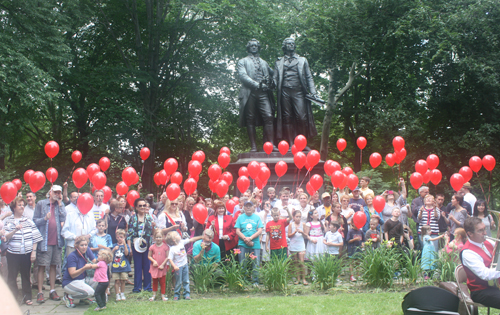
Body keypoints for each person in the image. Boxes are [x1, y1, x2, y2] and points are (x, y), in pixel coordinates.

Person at [274, 37, 318, 145]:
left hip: (298, 91)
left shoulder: (302, 60)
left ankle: (302, 143)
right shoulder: (279, 62)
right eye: (288, 43)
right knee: (287, 117)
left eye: (292, 43)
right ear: (284, 47)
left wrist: (313, 91)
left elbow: (309, 77)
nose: (291, 45)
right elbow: (275, 78)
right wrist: (271, 83)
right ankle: (290, 143)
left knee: (301, 117)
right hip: (284, 91)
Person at [237, 38, 277, 152]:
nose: (254, 47)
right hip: (250, 93)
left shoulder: (264, 62)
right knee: (250, 119)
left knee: (269, 116)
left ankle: (270, 145)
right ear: (248, 47)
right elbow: (243, 76)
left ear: (258, 47)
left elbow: (274, 74)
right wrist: (257, 84)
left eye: (256, 45)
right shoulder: (242, 61)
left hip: (263, 93)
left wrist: (274, 79)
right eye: (251, 46)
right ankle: (254, 146)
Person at [3, 197, 42, 305]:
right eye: (19, 205)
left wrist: (33, 252)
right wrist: (15, 230)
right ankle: (13, 298)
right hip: (13, 254)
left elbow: (36, 237)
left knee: (26, 275)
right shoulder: (9, 221)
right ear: (14, 208)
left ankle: (27, 297)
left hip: (26, 253)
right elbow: (5, 237)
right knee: (12, 276)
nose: (22, 207)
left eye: (22, 205)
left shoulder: (28, 220)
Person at [33, 184, 66, 303]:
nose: (57, 194)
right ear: (50, 192)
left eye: (59, 193)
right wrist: (44, 219)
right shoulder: (41, 204)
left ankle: (52, 290)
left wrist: (61, 204)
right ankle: (40, 292)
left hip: (56, 241)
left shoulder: (59, 205)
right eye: (56, 192)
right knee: (42, 266)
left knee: (53, 266)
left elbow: (64, 218)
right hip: (44, 241)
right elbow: (35, 221)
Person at [461, 217, 500, 309]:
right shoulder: (467, 252)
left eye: (485, 229)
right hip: (481, 291)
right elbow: (485, 274)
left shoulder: (487, 242)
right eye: (480, 231)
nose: (485, 233)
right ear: (470, 234)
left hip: (494, 285)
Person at [62, 236, 98, 308]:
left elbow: (95, 262)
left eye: (86, 245)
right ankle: (68, 296)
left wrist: (103, 260)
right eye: (81, 245)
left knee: (99, 279)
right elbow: (72, 274)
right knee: (91, 292)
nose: (84, 247)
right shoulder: (72, 256)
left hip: (82, 280)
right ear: (76, 246)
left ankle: (83, 298)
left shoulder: (87, 250)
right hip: (70, 282)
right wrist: (84, 268)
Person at [127, 198, 154, 293]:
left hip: (147, 245)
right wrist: (129, 247)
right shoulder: (133, 218)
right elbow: (129, 234)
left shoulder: (150, 217)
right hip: (136, 245)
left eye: (144, 205)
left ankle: (147, 287)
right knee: (137, 266)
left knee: (147, 266)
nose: (142, 207)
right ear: (136, 207)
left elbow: (152, 232)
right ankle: (137, 287)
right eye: (140, 206)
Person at [234, 201, 263, 285]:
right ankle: (243, 281)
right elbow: (237, 230)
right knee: (243, 262)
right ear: (244, 208)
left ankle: (255, 282)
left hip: (255, 244)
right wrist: (245, 239)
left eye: (250, 206)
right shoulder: (240, 217)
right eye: (247, 206)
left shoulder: (257, 217)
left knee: (255, 263)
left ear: (253, 207)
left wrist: (250, 238)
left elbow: (260, 230)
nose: (248, 207)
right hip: (243, 244)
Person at [166, 231, 202, 300]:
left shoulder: (181, 242)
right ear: (174, 239)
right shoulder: (172, 249)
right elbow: (169, 259)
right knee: (178, 281)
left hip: (185, 265)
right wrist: (174, 266)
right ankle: (176, 294)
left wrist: (201, 237)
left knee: (186, 280)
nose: (179, 235)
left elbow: (192, 239)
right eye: (177, 235)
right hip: (178, 267)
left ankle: (187, 294)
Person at [148, 230, 170, 301]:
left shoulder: (165, 247)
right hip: (155, 267)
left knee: (162, 282)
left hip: (162, 267)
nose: (158, 239)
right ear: (154, 238)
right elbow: (149, 256)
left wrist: (163, 265)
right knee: (154, 281)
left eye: (160, 237)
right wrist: (154, 261)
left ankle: (163, 295)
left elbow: (167, 257)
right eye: (157, 237)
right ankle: (154, 295)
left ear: (163, 237)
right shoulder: (152, 247)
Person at [288, 210, 307, 285]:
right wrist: (294, 232)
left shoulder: (303, 224)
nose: (298, 218)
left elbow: (306, 236)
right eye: (297, 217)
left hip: (301, 245)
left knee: (301, 262)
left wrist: (302, 232)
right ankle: (298, 279)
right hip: (293, 245)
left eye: (299, 217)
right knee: (295, 262)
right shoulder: (291, 224)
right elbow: (289, 235)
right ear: (293, 217)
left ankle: (304, 279)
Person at [111, 229, 131, 301]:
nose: (119, 238)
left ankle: (122, 293)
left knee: (123, 280)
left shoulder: (126, 246)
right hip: (115, 266)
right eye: (118, 237)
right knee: (117, 281)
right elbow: (110, 255)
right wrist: (113, 250)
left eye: (121, 237)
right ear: (116, 237)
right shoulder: (114, 245)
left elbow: (126, 253)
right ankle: (117, 295)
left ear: (124, 237)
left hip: (124, 266)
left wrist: (125, 244)